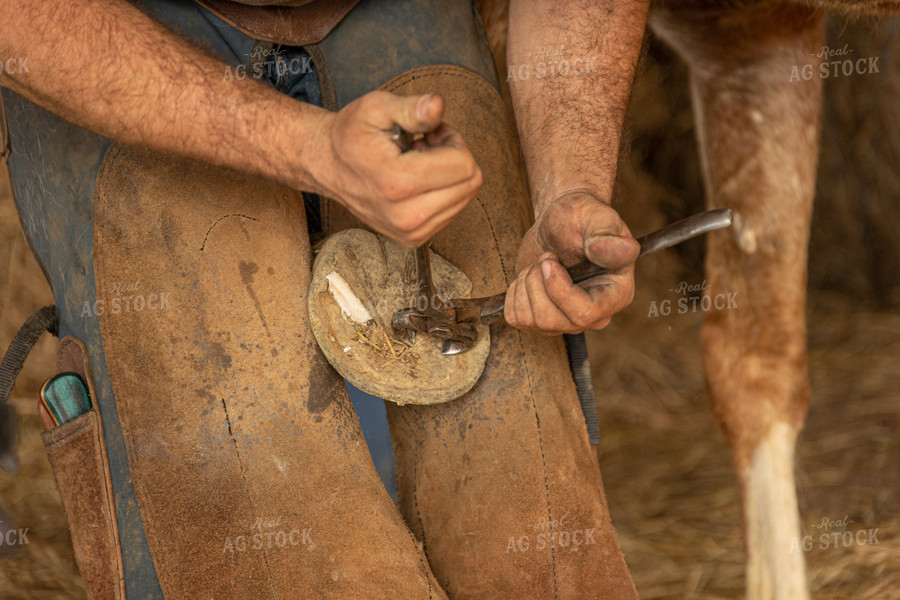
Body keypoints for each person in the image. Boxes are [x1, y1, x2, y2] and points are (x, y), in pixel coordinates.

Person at [0, 0, 649, 597]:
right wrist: (307, 148)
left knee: (546, 541)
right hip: (117, 33)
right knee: (269, 536)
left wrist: (571, 184)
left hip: (397, 13)